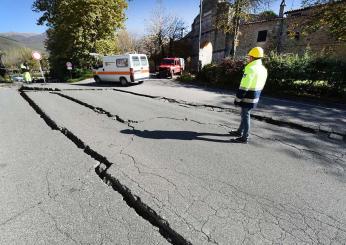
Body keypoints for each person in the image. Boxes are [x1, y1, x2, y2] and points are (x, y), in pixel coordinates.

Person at [230, 47, 268, 144]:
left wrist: (238, 98)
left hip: (248, 96)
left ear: (252, 57)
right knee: (244, 114)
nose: (248, 58)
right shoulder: (263, 69)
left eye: (249, 57)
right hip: (255, 95)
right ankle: (239, 131)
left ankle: (245, 137)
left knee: (245, 115)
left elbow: (244, 86)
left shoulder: (250, 68)